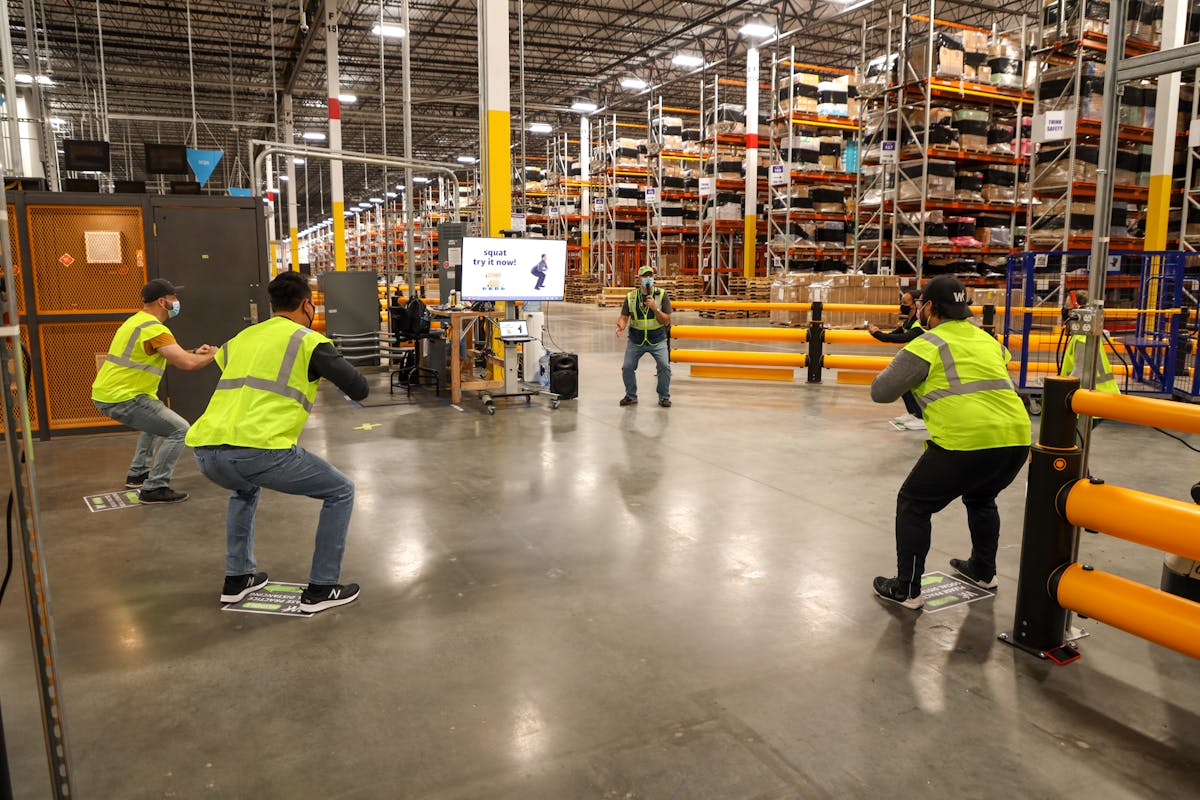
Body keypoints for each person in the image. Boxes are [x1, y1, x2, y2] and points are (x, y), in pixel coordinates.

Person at [186, 272, 370, 613]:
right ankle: (322, 589)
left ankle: (237, 579)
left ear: (272, 306)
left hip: (207, 453)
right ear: (307, 304)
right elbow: (359, 388)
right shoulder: (308, 341)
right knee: (340, 491)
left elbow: (226, 360)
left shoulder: (243, 337)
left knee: (243, 489)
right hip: (262, 451)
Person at [869, 275, 1031, 609]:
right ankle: (983, 571)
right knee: (981, 497)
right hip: (1016, 439)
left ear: (927, 307)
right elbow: (999, 364)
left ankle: (907, 588)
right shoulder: (988, 340)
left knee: (913, 504)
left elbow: (881, 392)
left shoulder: (927, 344)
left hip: (966, 442)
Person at [91, 279, 216, 504]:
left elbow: (165, 355)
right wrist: (214, 355)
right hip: (125, 397)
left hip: (111, 393)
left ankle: (138, 474)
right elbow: (186, 364)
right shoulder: (155, 330)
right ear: (162, 301)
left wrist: (196, 351)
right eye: (174, 298)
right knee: (180, 430)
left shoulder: (136, 322)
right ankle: (155, 486)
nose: (177, 302)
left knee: (155, 423)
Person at [868, 288, 925, 430]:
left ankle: (922, 417)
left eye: (905, 302)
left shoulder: (919, 325)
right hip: (912, 358)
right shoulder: (908, 322)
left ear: (915, 304)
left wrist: (878, 334)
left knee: (916, 388)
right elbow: (893, 334)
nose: (902, 305)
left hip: (921, 359)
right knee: (903, 386)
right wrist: (877, 333)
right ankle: (913, 413)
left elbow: (901, 338)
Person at [616, 265, 672, 408]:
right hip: (636, 340)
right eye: (644, 276)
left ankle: (664, 397)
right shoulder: (631, 297)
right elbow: (624, 317)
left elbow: (666, 320)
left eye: (650, 276)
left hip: (657, 339)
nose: (648, 279)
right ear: (639, 278)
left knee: (664, 367)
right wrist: (621, 325)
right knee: (627, 367)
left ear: (654, 278)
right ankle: (631, 395)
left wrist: (655, 308)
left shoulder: (661, 295)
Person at [1059, 291, 1120, 395]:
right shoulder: (1084, 335)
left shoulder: (1082, 338)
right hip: (1100, 395)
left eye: (1067, 307)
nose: (1064, 310)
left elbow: (1078, 373)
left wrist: (1062, 393)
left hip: (1098, 398)